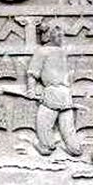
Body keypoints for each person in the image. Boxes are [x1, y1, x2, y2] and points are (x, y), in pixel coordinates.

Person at [26, 24, 82, 157]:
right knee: (67, 124)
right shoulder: (60, 52)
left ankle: (46, 145)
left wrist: (31, 90)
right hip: (64, 92)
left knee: (44, 121)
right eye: (58, 35)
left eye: (61, 35)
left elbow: (33, 73)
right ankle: (74, 147)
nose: (60, 38)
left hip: (54, 91)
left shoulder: (43, 51)